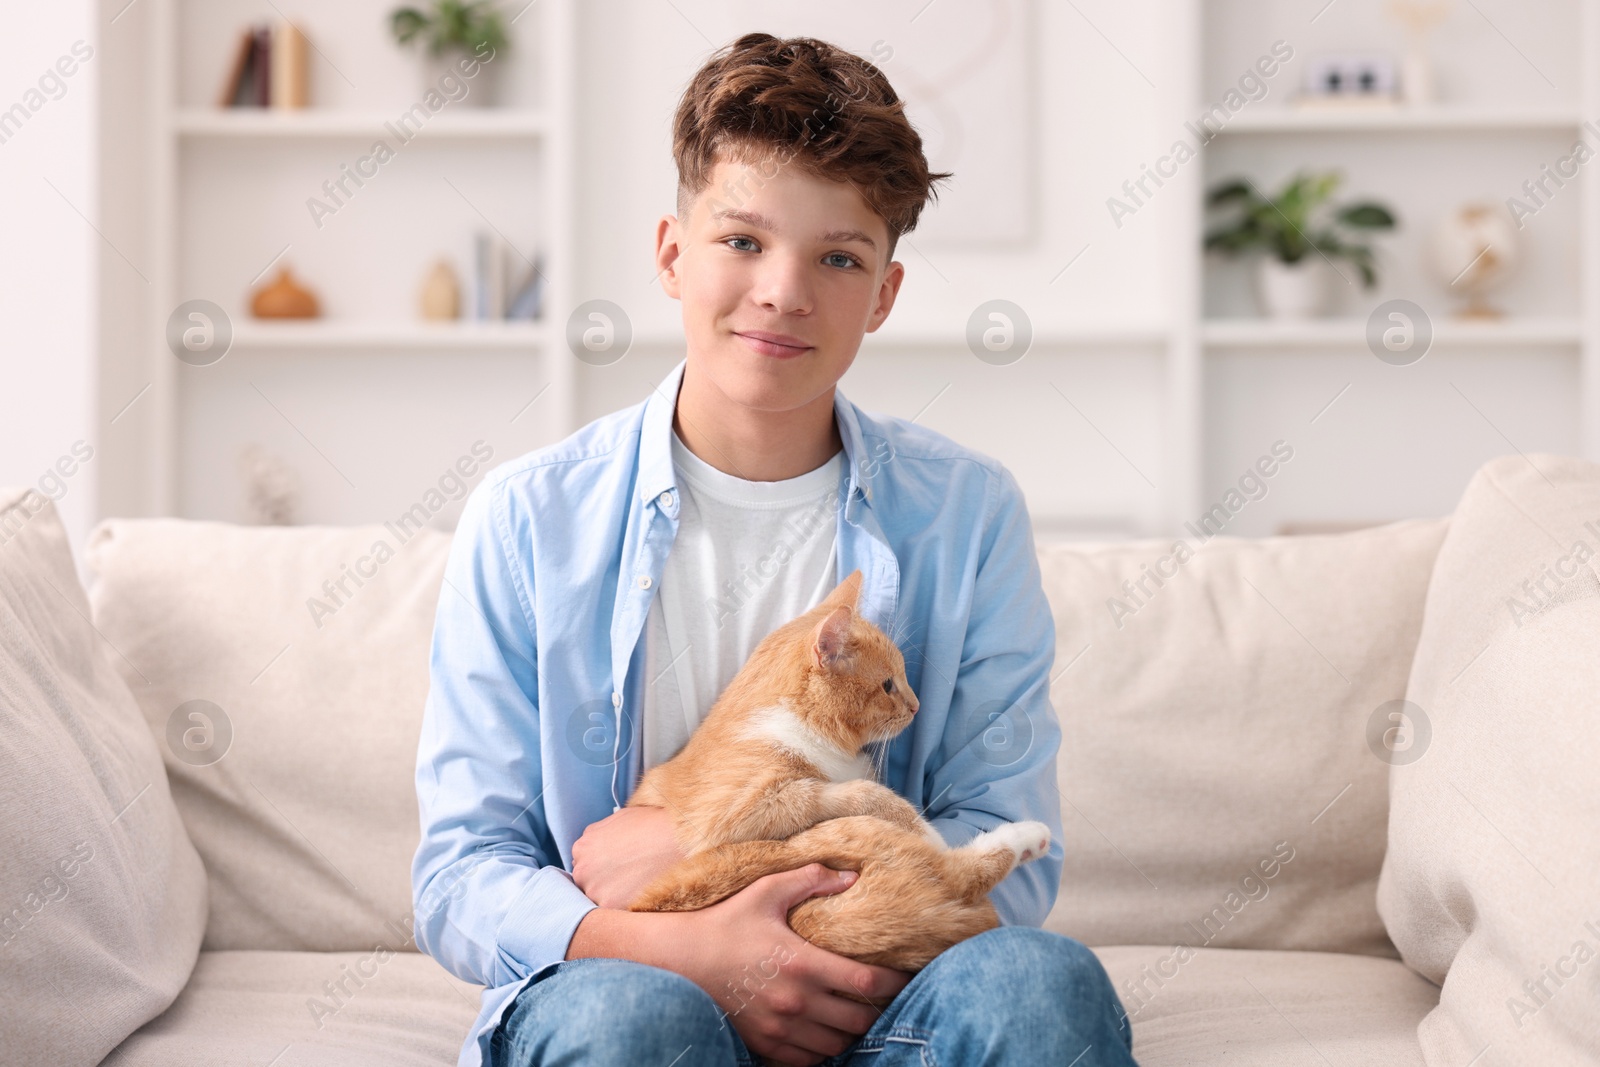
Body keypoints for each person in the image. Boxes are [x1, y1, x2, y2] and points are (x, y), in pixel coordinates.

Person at [411, 30, 1138, 1067]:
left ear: (883, 292)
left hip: (882, 975)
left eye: (837, 256)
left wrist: (714, 845)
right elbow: (461, 873)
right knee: (625, 1024)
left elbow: (1008, 842)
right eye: (743, 241)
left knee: (1042, 984)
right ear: (672, 253)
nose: (783, 291)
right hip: (644, 972)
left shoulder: (968, 514)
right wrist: (694, 948)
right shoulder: (528, 519)